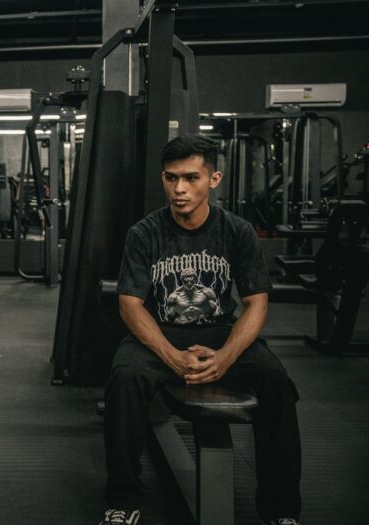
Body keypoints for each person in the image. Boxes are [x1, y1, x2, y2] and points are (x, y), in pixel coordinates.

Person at [100, 134, 302, 525]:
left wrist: (226, 357)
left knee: (277, 381)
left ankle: (281, 511)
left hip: (221, 333)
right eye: (171, 178)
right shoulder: (144, 233)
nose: (179, 189)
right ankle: (122, 502)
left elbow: (256, 302)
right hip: (159, 334)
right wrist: (171, 357)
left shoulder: (237, 231)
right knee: (123, 380)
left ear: (214, 179)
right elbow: (130, 304)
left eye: (191, 178)